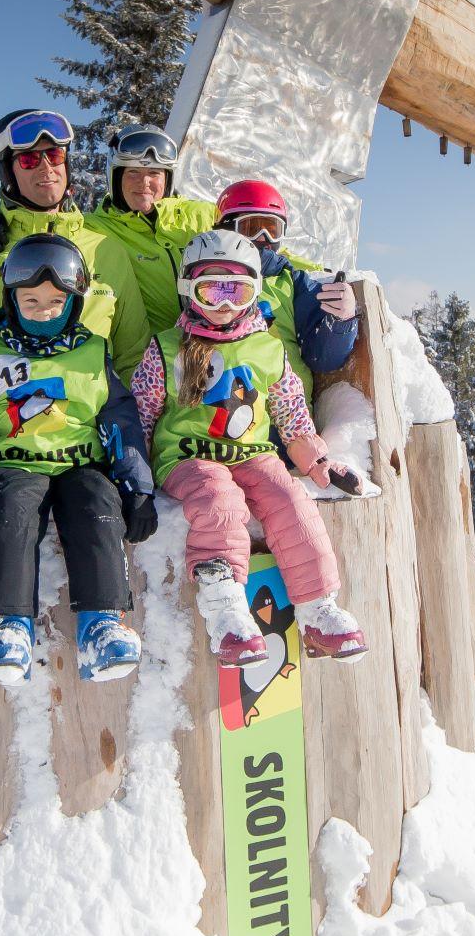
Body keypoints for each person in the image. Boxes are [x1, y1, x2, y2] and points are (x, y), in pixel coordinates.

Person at [134, 231, 370, 664]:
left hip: (251, 454)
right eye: (212, 290)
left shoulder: (266, 348)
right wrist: (134, 479)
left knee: (290, 499)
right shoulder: (167, 350)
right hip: (188, 457)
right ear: (189, 290)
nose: (224, 305)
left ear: (253, 294)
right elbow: (142, 415)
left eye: (236, 292)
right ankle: (226, 611)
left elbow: (291, 413)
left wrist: (319, 465)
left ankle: (318, 610)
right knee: (218, 499)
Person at [0, 233, 157, 687]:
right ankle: (8, 624)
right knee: (10, 509)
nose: (43, 312)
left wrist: (138, 488)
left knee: (97, 503)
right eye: (31, 301)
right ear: (11, 299)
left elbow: (121, 423)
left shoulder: (93, 354)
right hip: (16, 465)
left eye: (55, 302)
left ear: (74, 303)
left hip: (80, 464)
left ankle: (102, 623)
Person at [0, 109, 149, 388]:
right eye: (30, 159)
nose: (47, 169)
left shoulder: (107, 251)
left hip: (91, 426)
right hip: (6, 426)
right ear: (6, 173)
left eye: (55, 156)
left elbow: (133, 356)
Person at [213, 178, 360, 398]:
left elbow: (323, 359)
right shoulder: (207, 277)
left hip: (289, 416)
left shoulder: (292, 281)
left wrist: (340, 322)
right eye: (251, 227)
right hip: (225, 410)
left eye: (273, 229)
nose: (263, 239)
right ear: (226, 227)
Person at [82, 124, 217, 336]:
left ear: (167, 178)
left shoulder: (203, 216)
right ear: (116, 178)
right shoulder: (94, 229)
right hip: (149, 361)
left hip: (212, 353)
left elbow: (260, 243)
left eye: (154, 173)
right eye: (133, 172)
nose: (144, 182)